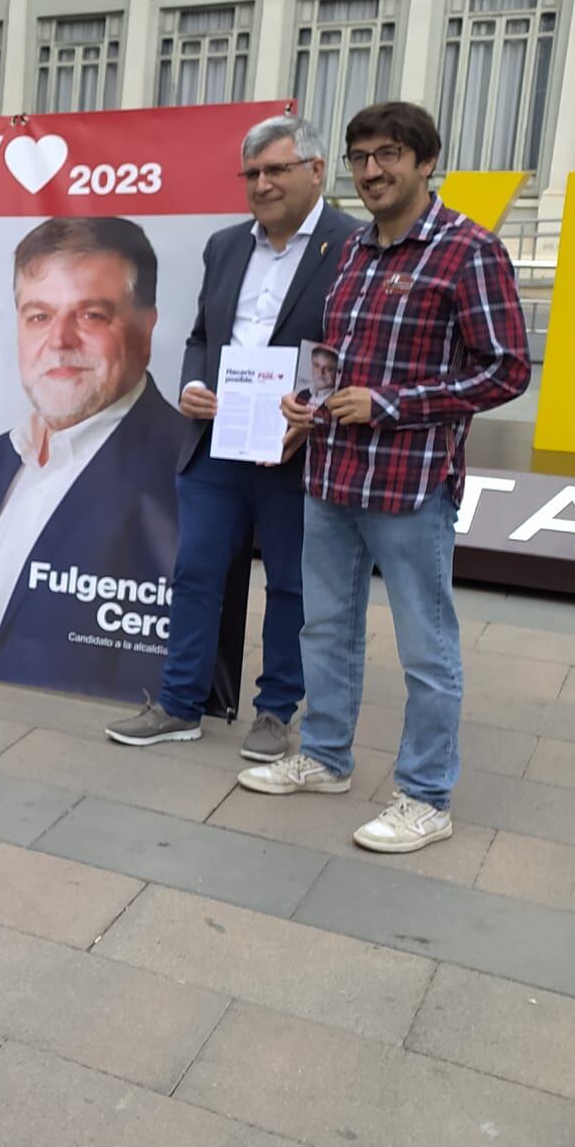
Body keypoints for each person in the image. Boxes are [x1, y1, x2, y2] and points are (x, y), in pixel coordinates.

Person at [244, 101, 530, 853]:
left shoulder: (469, 250)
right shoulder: (353, 254)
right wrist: (308, 403)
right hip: (333, 474)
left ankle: (426, 796)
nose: (372, 171)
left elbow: (506, 371)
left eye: (389, 155)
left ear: (426, 162)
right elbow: (339, 359)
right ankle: (327, 758)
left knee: (426, 650)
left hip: (412, 485)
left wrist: (394, 404)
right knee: (325, 627)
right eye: (360, 157)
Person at [105, 116, 359, 762]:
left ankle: (275, 712)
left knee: (292, 586)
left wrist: (317, 412)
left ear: (316, 170)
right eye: (252, 174)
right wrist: (193, 384)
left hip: (295, 449)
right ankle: (180, 703)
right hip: (217, 440)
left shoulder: (353, 246)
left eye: (276, 169)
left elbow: (358, 349)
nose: (262, 184)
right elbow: (200, 337)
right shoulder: (224, 246)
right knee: (195, 573)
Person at [0, 216, 194, 696]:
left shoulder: (186, 474)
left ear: (147, 326)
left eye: (91, 315)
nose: (59, 341)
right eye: (39, 316)